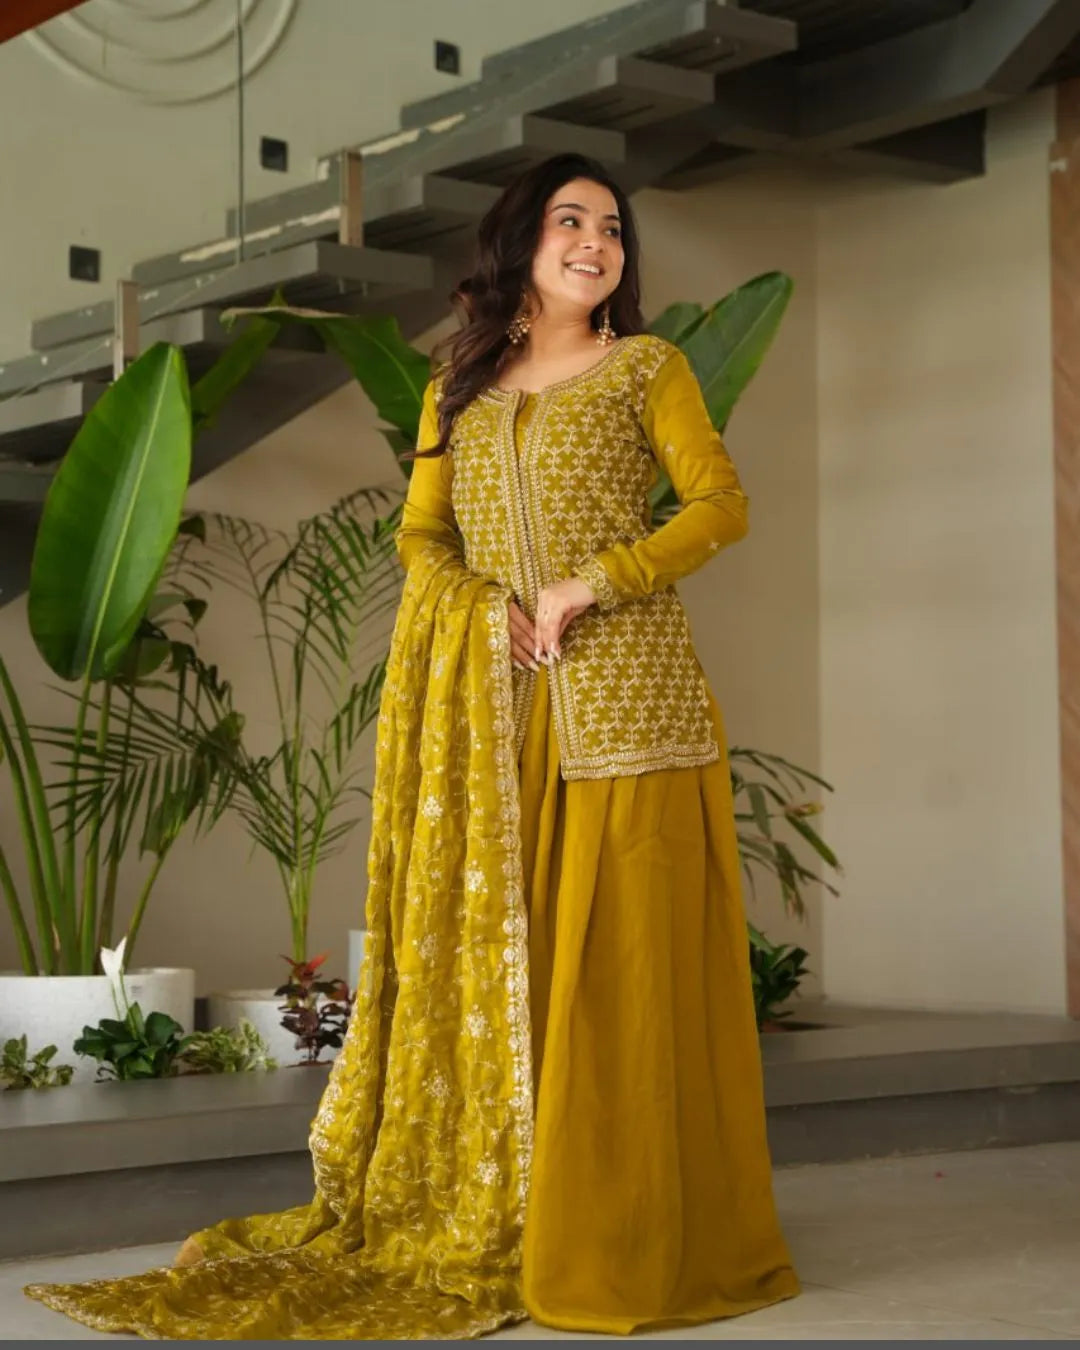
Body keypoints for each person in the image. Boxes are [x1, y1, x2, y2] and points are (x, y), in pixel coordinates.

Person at [25, 152, 800, 1340]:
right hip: (492, 717)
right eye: (569, 222)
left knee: (623, 988)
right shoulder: (456, 392)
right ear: (520, 245)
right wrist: (487, 610)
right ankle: (517, 1215)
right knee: (517, 985)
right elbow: (422, 539)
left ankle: (634, 1240)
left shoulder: (650, 367)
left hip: (632, 716)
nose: (597, 242)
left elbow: (719, 505)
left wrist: (597, 580)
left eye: (613, 228)